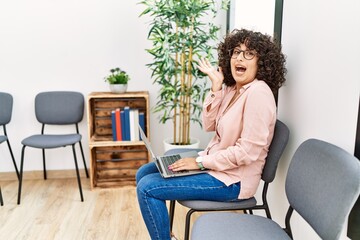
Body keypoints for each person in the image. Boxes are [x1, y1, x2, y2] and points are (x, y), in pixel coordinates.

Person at [136, 28, 287, 240]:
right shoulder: (234, 89)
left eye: (249, 53)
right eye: (236, 52)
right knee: (144, 172)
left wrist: (199, 163)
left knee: (146, 188)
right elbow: (209, 125)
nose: (239, 58)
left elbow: (247, 153)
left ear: (262, 62)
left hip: (233, 182)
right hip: (216, 166)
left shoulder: (259, 94)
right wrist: (216, 87)